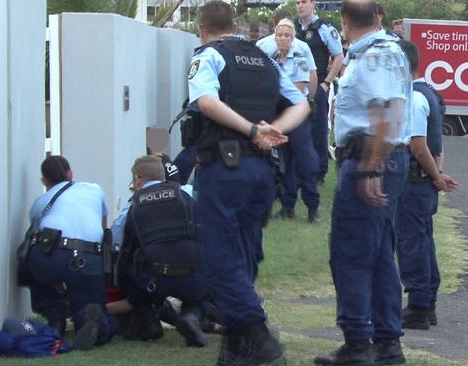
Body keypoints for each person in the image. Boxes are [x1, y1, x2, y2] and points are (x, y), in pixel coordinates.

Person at [188, 1, 310, 364]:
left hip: (225, 168)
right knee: (245, 251)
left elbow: (206, 101)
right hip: (262, 169)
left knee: (217, 255)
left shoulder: (209, 56)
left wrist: (253, 129)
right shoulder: (266, 59)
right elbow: (302, 103)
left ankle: (256, 332)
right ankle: (237, 349)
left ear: (201, 28)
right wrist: (273, 133)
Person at [314, 0, 411, 364]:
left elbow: (387, 109)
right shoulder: (388, 50)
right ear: (377, 17)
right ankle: (387, 341)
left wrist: (370, 167)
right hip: (384, 156)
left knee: (351, 254)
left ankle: (357, 343)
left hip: (370, 157)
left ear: (344, 21)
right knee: (379, 253)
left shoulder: (373, 55)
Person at [109, 155, 212, 347]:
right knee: (202, 297)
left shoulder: (131, 207)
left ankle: (146, 318)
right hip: (192, 274)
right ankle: (192, 315)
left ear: (138, 179)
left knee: (127, 266)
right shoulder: (186, 194)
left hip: (152, 281)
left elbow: (116, 245)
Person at [19, 156, 117, 351]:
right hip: (88, 258)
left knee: (34, 266)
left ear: (44, 182)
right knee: (93, 310)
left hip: (50, 256)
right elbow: (103, 226)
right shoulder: (94, 189)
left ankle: (55, 318)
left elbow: (37, 231)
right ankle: (93, 322)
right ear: (70, 173)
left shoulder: (41, 202)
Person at [395, 40, 458, 330]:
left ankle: (419, 305)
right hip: (423, 182)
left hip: (413, 181)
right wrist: (438, 173)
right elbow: (437, 145)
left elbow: (418, 145)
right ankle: (426, 302)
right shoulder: (430, 93)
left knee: (411, 243)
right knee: (423, 241)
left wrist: (435, 176)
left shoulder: (413, 97)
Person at [258, 18, 321, 223]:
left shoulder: (299, 58)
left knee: (306, 161)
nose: (283, 39)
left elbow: (299, 89)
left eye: (287, 35)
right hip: (277, 115)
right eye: (279, 35)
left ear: (293, 39)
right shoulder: (268, 59)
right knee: (283, 162)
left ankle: (313, 207)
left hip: (296, 114)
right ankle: (287, 206)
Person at [295, 0, 344, 184]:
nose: (300, 5)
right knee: (296, 129)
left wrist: (326, 83)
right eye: (297, 2)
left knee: (318, 130)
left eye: (304, 2)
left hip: (318, 87)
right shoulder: (293, 27)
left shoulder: (324, 28)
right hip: (296, 88)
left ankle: (319, 172)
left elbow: (338, 56)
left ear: (313, 4)